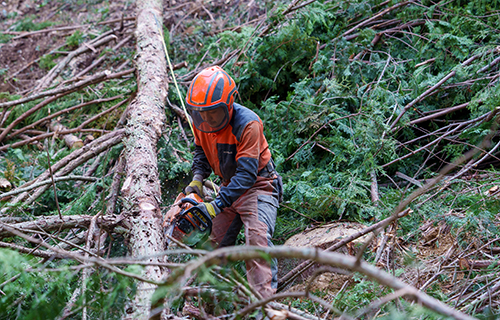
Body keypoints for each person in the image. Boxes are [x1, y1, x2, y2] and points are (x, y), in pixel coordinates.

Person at [184, 65, 282, 299]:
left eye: (213, 113)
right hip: (229, 186)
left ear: (228, 105)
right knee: (210, 244)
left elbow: (247, 175)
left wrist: (215, 205)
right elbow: (201, 153)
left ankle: (265, 305)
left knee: (257, 240)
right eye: (201, 113)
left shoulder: (248, 124)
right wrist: (197, 180)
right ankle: (205, 303)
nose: (207, 119)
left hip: (259, 186)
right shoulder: (202, 122)